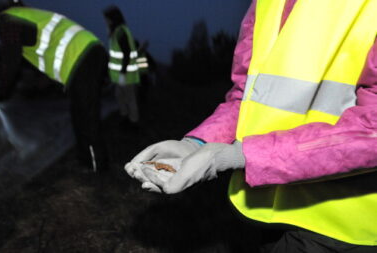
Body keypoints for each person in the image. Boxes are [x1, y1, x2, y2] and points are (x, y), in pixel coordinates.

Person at [125, 0, 377, 252]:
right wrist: (196, 144)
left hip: (341, 228)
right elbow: (247, 97)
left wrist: (244, 155)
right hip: (265, 209)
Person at [0, 0, 108, 171]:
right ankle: (87, 160)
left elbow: (10, 60)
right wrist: (36, 88)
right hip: (89, 53)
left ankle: (97, 166)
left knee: (85, 114)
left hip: (80, 56)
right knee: (80, 112)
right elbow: (47, 59)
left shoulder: (8, 19)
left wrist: (1, 92)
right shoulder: (30, 18)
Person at [103, 6, 141, 125]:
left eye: (107, 19)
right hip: (123, 75)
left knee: (129, 99)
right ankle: (126, 119)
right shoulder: (118, 32)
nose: (106, 21)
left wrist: (123, 73)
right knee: (121, 97)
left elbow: (127, 53)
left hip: (126, 75)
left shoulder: (120, 32)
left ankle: (133, 123)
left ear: (113, 19)